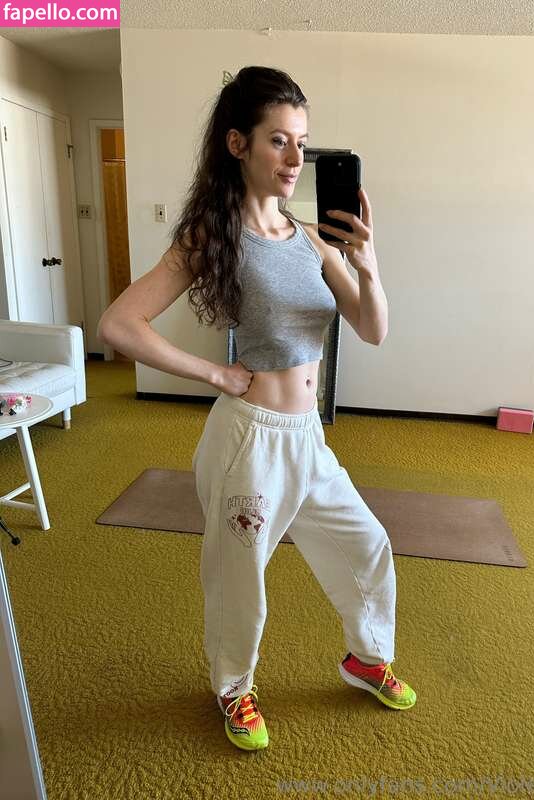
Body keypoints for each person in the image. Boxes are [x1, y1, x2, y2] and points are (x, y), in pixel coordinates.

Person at [97, 65, 416, 753]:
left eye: (302, 141)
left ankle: (366, 658)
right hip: (249, 441)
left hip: (307, 438)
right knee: (240, 577)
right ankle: (234, 687)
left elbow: (372, 328)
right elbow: (119, 324)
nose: (295, 157)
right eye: (279, 140)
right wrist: (215, 372)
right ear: (238, 143)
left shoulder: (311, 238)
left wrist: (368, 264)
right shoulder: (212, 237)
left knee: (366, 543)